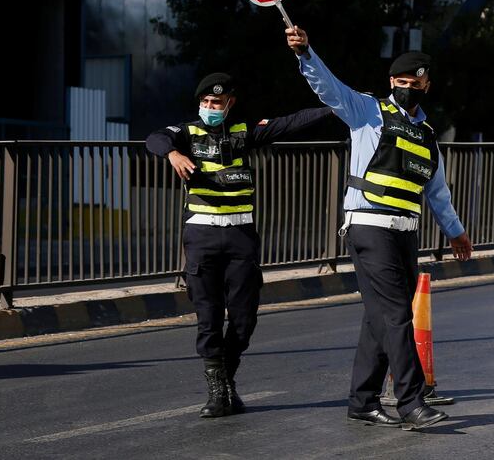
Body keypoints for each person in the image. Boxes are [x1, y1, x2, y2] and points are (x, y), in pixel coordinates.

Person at [285, 27, 473, 431]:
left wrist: (455, 232)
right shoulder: (367, 111)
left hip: (405, 231)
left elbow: (437, 192)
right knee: (396, 316)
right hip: (369, 226)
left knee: (380, 318)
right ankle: (412, 402)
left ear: (427, 85)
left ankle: (362, 401)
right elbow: (329, 88)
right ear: (392, 83)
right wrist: (306, 53)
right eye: (402, 83)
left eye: (416, 83)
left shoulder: (426, 136)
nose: (409, 88)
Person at [146, 73, 332, 418]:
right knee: (209, 316)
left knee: (245, 318)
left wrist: (335, 107)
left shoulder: (245, 132)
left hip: (240, 235)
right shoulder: (186, 133)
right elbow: (154, 138)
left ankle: (227, 382)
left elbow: (289, 124)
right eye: (204, 103)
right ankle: (218, 392)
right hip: (201, 234)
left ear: (230, 103)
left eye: (216, 103)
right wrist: (172, 154)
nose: (209, 108)